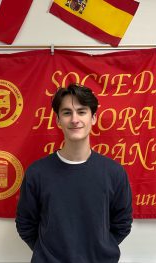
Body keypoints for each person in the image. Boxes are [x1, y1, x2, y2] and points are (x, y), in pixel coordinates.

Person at [16, 83, 133, 263]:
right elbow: (25, 224)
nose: (74, 119)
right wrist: (47, 253)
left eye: (82, 111)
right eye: (67, 112)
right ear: (57, 120)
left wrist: (99, 250)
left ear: (93, 118)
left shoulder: (114, 173)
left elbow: (122, 224)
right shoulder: (37, 173)